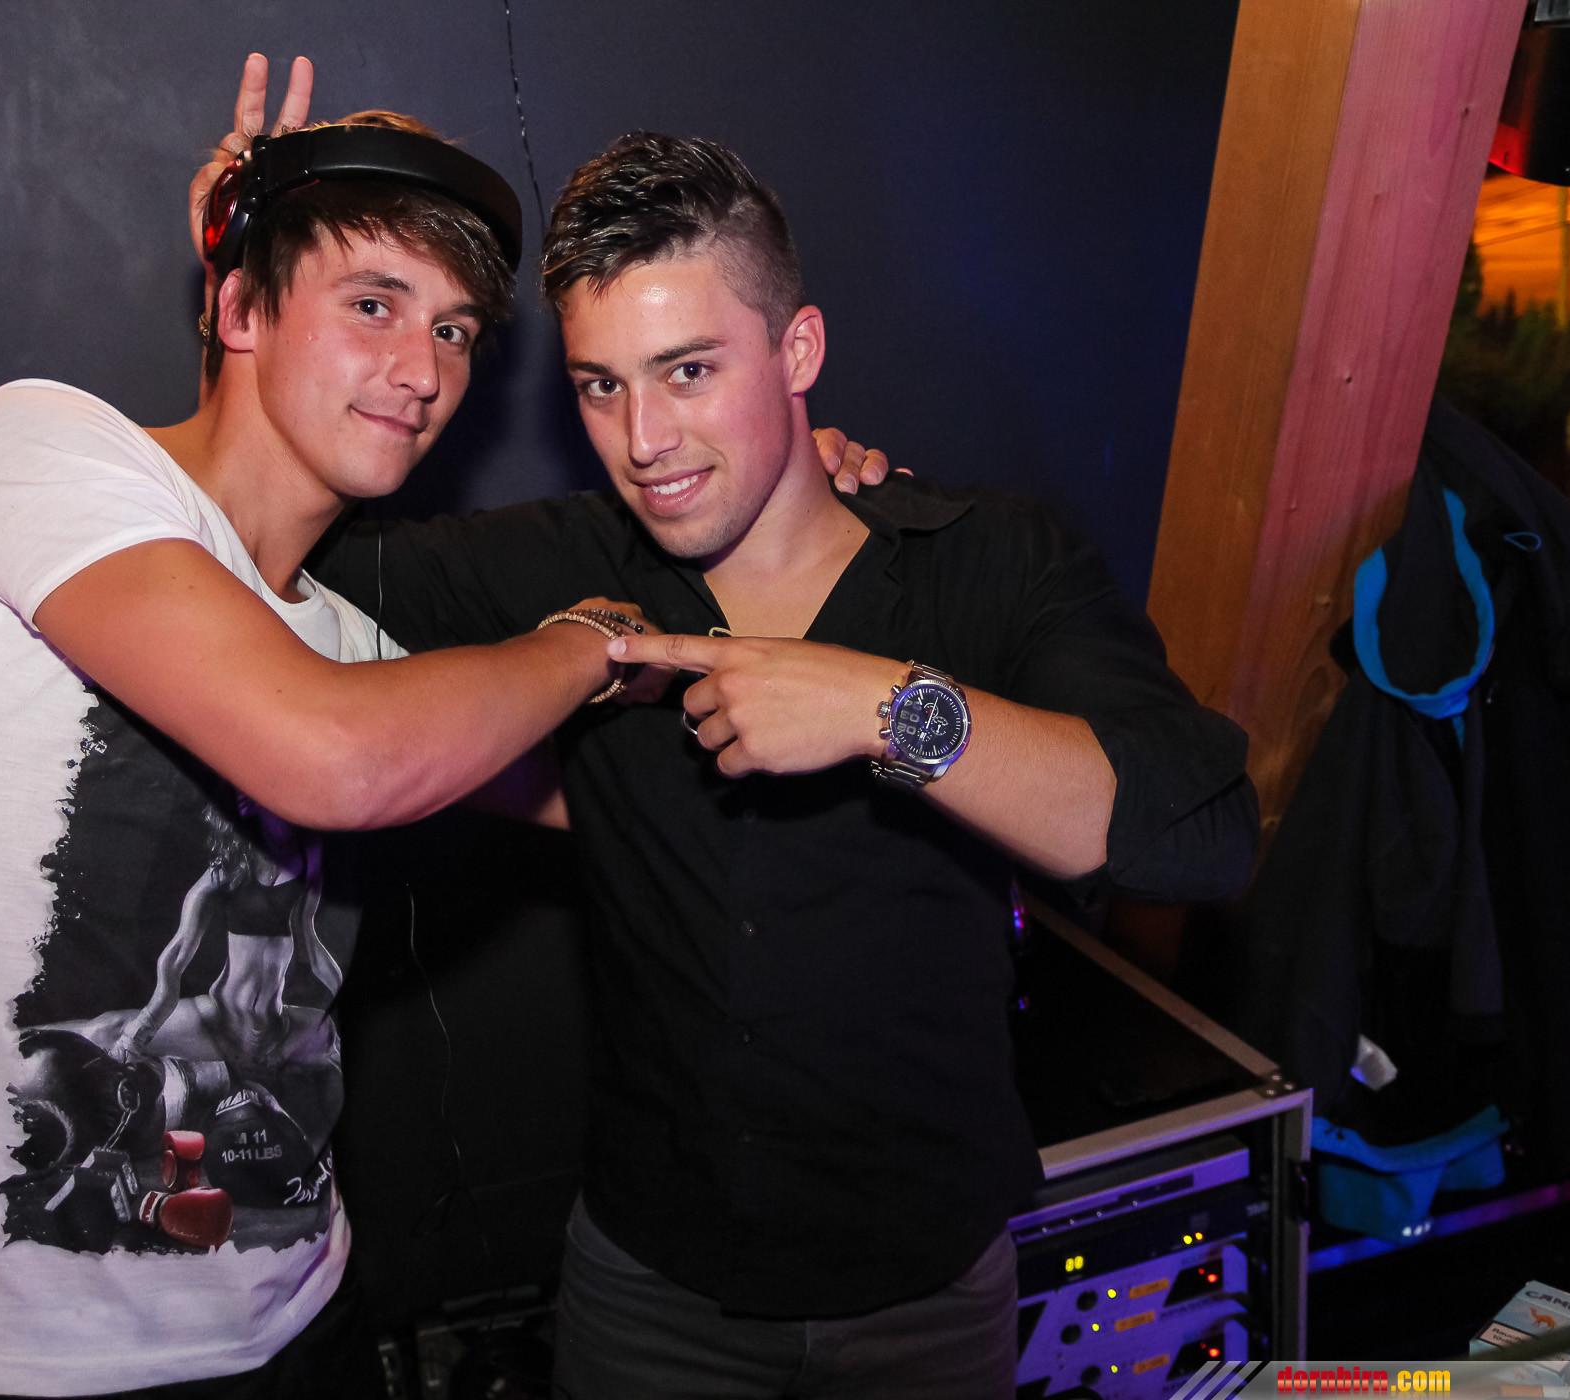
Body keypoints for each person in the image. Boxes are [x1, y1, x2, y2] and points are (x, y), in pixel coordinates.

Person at [0, 56, 878, 1398]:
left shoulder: (348, 647)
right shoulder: (37, 450)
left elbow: (630, 792)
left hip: (303, 1312)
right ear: (238, 306)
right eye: (372, 304)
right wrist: (587, 639)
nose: (421, 370)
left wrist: (788, 499)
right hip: (29, 1363)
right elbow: (337, 757)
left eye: (454, 331)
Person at [309, 132, 1260, 1397]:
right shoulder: (564, 565)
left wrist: (890, 708)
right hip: (652, 1291)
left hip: (928, 1296)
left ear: (797, 351)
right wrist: (255, 284)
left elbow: (1200, 828)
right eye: (600, 386)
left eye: (690, 370)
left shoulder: (986, 562)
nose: (646, 437)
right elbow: (269, 551)